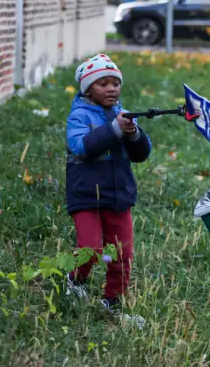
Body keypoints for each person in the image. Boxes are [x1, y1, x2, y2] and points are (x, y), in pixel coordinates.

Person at [64, 53, 152, 324]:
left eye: (115, 82)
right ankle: (75, 281)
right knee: (90, 249)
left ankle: (112, 301)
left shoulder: (121, 115)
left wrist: (134, 134)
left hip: (118, 195)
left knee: (122, 253)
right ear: (88, 89)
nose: (112, 88)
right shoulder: (79, 116)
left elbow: (140, 155)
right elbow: (81, 147)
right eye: (103, 83)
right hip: (87, 194)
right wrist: (114, 129)